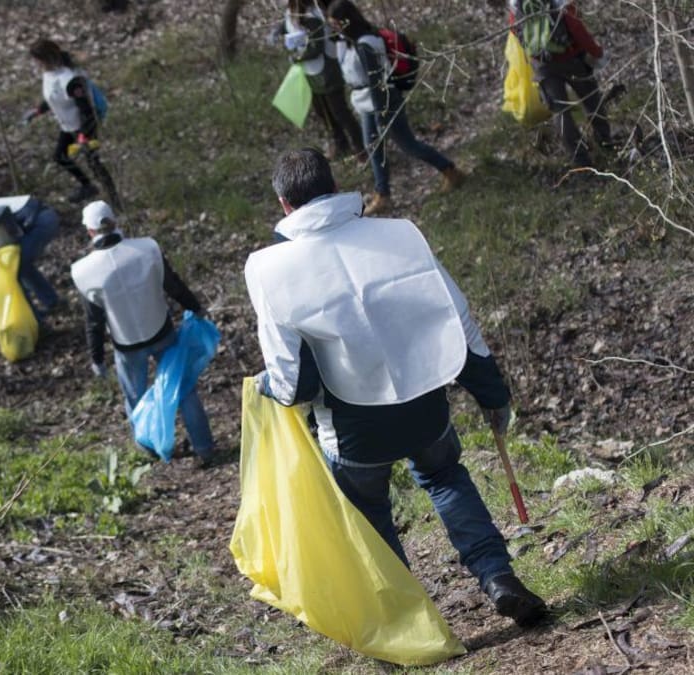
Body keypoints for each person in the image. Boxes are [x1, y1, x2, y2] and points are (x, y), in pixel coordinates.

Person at [245, 149, 546, 626]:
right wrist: (491, 392)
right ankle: (498, 577)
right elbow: (456, 317)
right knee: (446, 477)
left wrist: (271, 389)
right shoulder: (400, 234)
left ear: (284, 204)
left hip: (353, 426)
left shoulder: (267, 267)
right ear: (332, 183)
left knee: (369, 515)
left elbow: (291, 379)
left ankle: (411, 623)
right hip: (425, 400)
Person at [72, 201, 216, 466]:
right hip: (162, 332)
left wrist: (97, 358)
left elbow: (93, 320)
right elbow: (172, 283)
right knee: (183, 389)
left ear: (90, 232)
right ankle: (205, 448)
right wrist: (195, 307)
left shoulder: (83, 271)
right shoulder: (147, 248)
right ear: (115, 222)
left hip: (126, 345)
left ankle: (149, 449)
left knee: (135, 399)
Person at [326, 0, 464, 215]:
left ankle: (450, 170)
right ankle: (383, 194)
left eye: (335, 24)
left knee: (408, 145)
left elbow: (375, 83)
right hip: (368, 102)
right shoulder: (350, 41)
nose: (333, 28)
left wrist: (382, 116)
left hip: (383, 101)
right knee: (373, 147)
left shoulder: (365, 44)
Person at [509, 0, 612, 167]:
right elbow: (576, 28)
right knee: (591, 100)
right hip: (572, 58)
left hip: (542, 65)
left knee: (561, 113)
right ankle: (606, 143)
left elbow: (516, 30)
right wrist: (596, 53)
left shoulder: (516, 5)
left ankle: (581, 162)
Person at [22, 39, 121, 209]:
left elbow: (87, 109)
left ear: (45, 58)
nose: (35, 63)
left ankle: (115, 200)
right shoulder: (49, 75)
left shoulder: (70, 79)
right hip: (68, 125)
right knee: (60, 156)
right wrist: (38, 111)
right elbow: (54, 99)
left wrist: (84, 135)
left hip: (84, 125)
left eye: (37, 59)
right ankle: (87, 186)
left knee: (94, 162)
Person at [271, 0, 364, 161]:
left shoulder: (314, 14)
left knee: (340, 112)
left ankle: (361, 148)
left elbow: (317, 47)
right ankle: (340, 144)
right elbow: (290, 25)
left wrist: (298, 57)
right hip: (310, 72)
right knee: (323, 112)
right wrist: (278, 31)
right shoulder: (293, 12)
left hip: (327, 70)